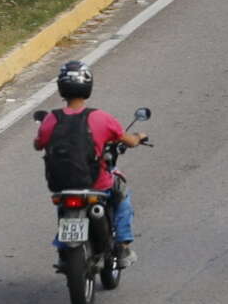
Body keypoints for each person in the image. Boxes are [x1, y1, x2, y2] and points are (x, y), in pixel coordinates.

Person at [35, 60, 146, 262]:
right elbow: (127, 140)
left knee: (62, 207)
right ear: (88, 86)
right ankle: (122, 246)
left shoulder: (51, 119)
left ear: (61, 87)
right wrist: (138, 137)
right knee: (122, 195)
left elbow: (38, 143)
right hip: (96, 184)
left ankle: (63, 244)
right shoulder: (100, 118)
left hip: (61, 185)